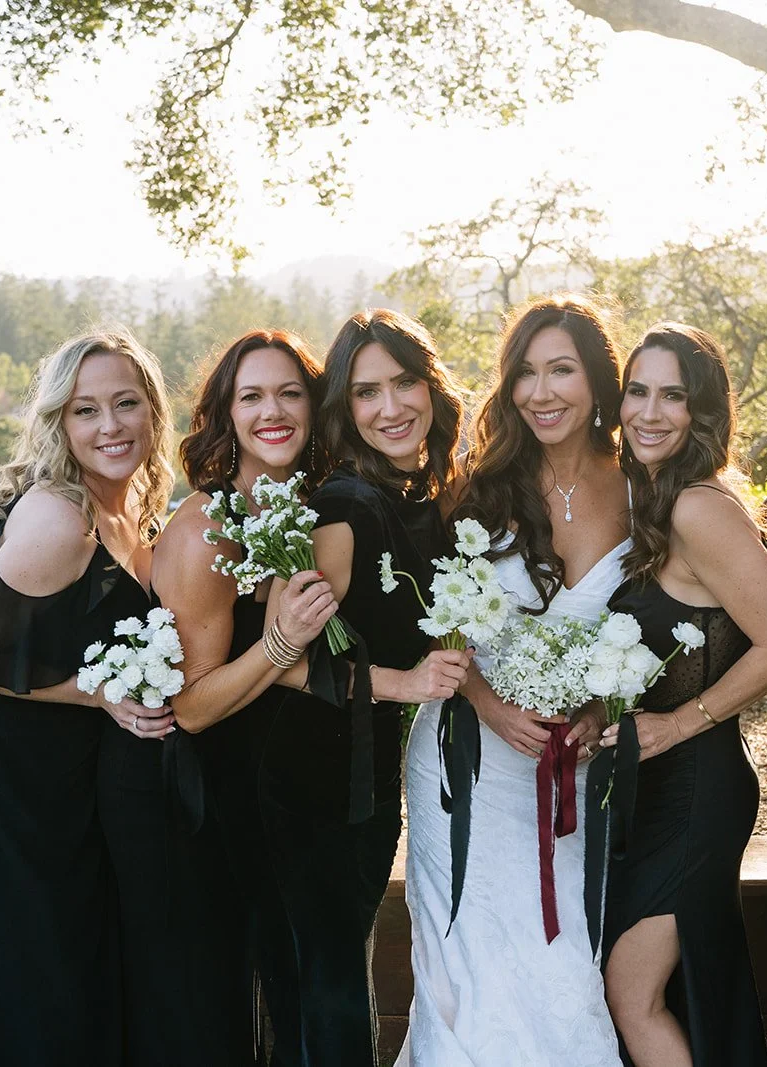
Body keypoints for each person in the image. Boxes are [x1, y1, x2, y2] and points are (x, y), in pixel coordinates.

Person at [0, 328, 176, 1065]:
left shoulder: (132, 513)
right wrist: (103, 696)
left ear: (153, 412)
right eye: (86, 410)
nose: (109, 425)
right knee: (15, 971)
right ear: (61, 421)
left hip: (63, 775)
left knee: (60, 966)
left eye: (125, 404)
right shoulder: (59, 515)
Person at [399, 295, 624, 1065]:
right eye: (525, 373)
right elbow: (439, 624)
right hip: (462, 760)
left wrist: (600, 707)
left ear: (598, 382)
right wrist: (487, 702)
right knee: (462, 963)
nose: (542, 391)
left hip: (565, 771)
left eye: (562, 369)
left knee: (554, 955)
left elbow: (655, 625)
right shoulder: (480, 487)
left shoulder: (642, 492)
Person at [105, 329, 339, 1064]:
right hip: (210, 806)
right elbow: (193, 706)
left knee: (305, 993)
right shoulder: (209, 526)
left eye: (290, 393)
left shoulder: (307, 508)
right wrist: (280, 642)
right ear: (226, 415)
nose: (273, 411)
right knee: (230, 1008)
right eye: (252, 396)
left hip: (288, 797)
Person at [598, 323, 767, 1066]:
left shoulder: (698, 506)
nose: (651, 411)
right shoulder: (651, 502)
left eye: (674, 395)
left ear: (704, 414)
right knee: (679, 988)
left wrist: (676, 723)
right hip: (654, 787)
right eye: (638, 391)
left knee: (631, 995)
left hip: (696, 788)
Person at [258, 309, 473, 1066]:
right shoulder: (343, 507)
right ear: (343, 411)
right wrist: (403, 680)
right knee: (334, 983)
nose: (390, 407)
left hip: (369, 767)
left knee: (340, 967)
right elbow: (278, 656)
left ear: (430, 387)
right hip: (306, 774)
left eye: (404, 382)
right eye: (365, 392)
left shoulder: (426, 493)